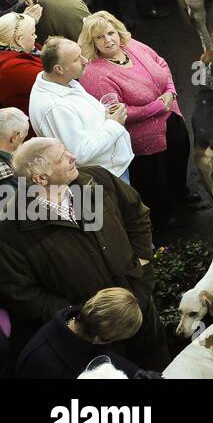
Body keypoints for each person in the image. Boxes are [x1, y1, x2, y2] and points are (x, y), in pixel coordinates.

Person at [0, 138, 168, 370]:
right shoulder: (12, 228)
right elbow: (22, 293)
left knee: (159, 365)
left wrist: (141, 265)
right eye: (62, 157)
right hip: (95, 337)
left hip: (139, 305)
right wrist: (84, 317)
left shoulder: (96, 180)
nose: (73, 157)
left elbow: (136, 215)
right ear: (41, 179)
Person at [77, 11, 195, 228]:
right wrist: (158, 105)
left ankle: (182, 196)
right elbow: (118, 112)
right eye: (100, 37)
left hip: (171, 117)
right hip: (143, 137)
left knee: (178, 160)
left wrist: (170, 91)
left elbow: (161, 63)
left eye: (111, 33)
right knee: (154, 180)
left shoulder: (132, 46)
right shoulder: (94, 73)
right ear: (91, 42)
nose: (108, 40)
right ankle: (165, 219)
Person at [26, 37, 133, 180]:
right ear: (59, 69)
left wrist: (105, 114)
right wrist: (114, 124)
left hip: (113, 166)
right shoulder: (56, 108)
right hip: (107, 176)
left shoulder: (63, 81)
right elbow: (80, 153)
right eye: (77, 59)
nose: (85, 60)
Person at [15, 285, 150, 379]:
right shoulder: (41, 361)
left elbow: (99, 355)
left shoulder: (81, 327)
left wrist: (134, 373)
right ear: (98, 340)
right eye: (112, 340)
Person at [0, 14, 42, 115]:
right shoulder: (15, 68)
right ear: (19, 40)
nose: (36, 37)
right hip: (29, 123)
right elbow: (56, 77)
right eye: (32, 34)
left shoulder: (9, 54)